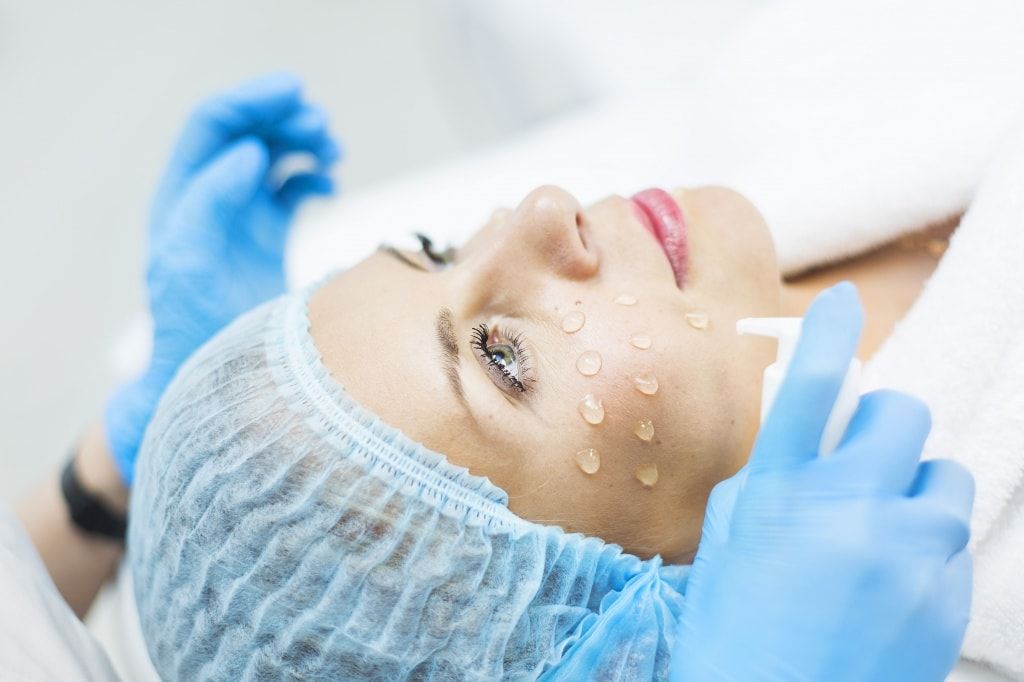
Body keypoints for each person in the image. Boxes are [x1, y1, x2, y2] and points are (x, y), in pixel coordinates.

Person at [6, 75, 973, 680]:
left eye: (437, 250)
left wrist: (106, 481)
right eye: (505, 359)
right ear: (615, 623)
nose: (544, 209)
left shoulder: (787, 102)